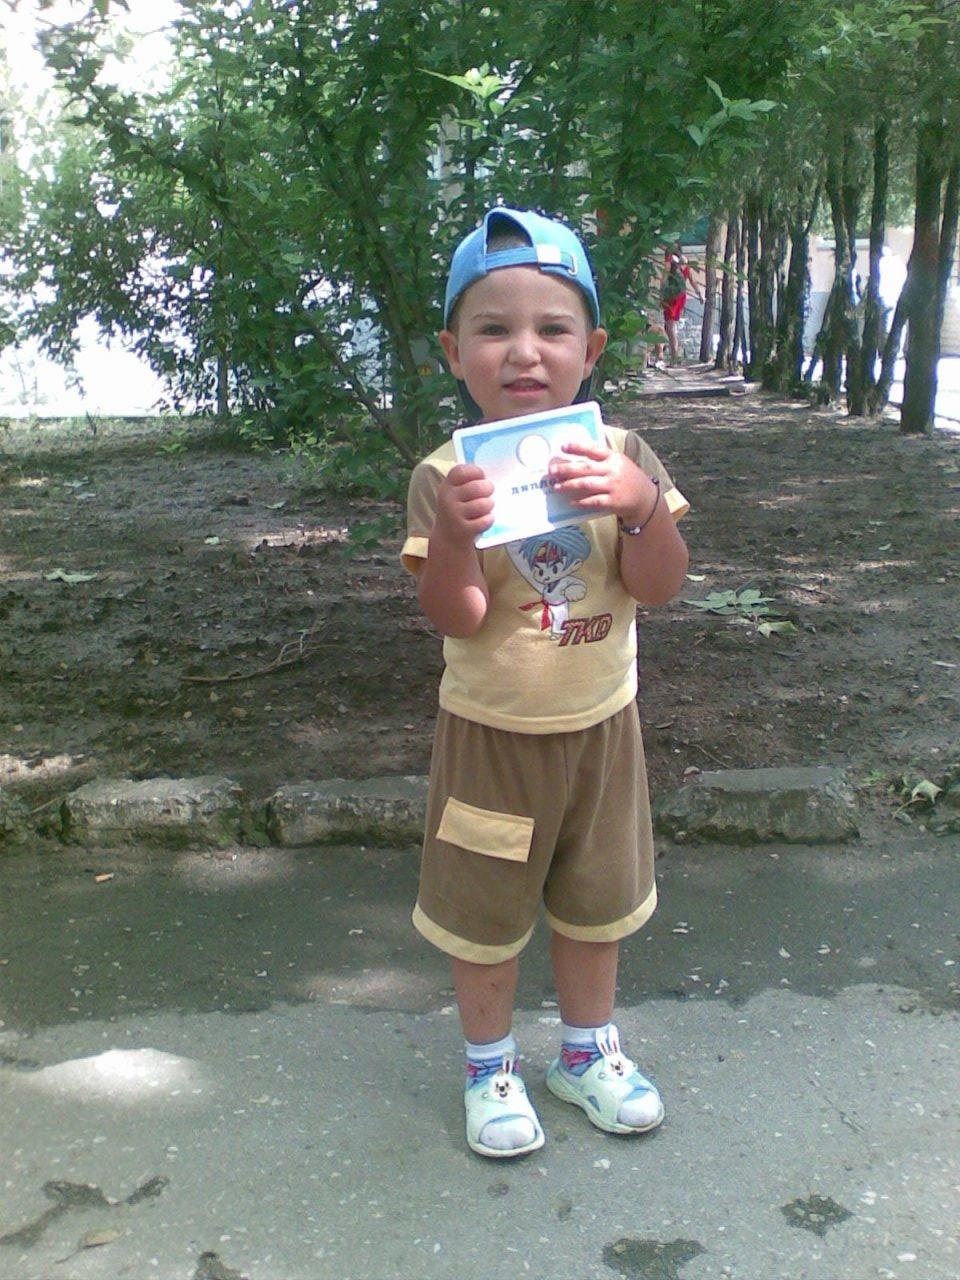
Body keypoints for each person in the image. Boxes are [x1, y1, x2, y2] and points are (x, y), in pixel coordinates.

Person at [402, 206, 690, 1159]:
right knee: (482, 917)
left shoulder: (623, 458)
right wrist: (455, 536)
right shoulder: (446, 476)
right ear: (455, 353)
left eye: (552, 329)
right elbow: (457, 617)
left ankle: (585, 1053)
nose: (524, 352)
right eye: (493, 329)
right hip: (490, 736)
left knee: (597, 904)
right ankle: (489, 1065)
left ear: (590, 350)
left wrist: (642, 509)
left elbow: (660, 586)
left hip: (602, 729)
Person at [660, 240, 703, 366]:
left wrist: (661, 295)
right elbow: (692, 280)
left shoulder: (669, 262)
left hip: (671, 297)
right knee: (670, 327)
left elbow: (664, 280)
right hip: (681, 296)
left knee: (670, 327)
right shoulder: (684, 264)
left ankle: (675, 357)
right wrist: (699, 294)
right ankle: (672, 353)